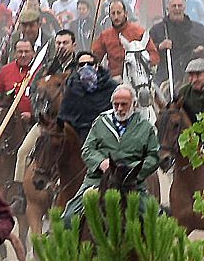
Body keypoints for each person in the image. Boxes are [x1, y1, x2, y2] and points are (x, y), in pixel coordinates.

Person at [61, 85, 162, 222]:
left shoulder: (146, 127)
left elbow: (154, 156)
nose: (119, 108)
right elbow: (87, 149)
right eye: (116, 104)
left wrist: (132, 170)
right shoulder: (100, 123)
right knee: (67, 219)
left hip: (132, 183)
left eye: (124, 104)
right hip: (97, 181)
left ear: (134, 104)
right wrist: (100, 163)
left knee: (159, 220)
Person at [151, 0, 204, 81]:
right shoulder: (157, 30)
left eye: (180, 6)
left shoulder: (198, 28)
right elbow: (147, 53)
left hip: (195, 73)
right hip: (167, 74)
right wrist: (160, 46)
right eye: (174, 6)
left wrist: (203, 49)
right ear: (167, 9)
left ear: (184, 8)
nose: (177, 8)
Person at [93, 0, 160, 81]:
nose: (116, 17)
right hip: (114, 79)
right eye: (113, 13)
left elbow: (154, 55)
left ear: (125, 14)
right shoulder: (105, 36)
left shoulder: (139, 32)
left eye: (119, 13)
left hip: (138, 79)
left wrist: (145, 63)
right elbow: (95, 58)